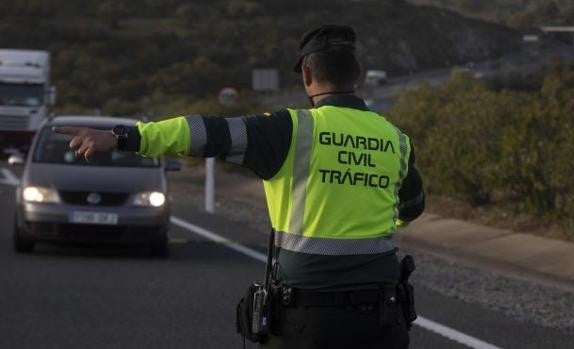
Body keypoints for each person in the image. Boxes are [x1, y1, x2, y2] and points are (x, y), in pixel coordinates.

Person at [55, 24, 425, 349]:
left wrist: (122, 138)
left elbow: (201, 133)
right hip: (382, 316)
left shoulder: (288, 130)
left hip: (308, 320)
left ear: (307, 74)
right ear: (358, 72)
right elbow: (412, 207)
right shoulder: (395, 138)